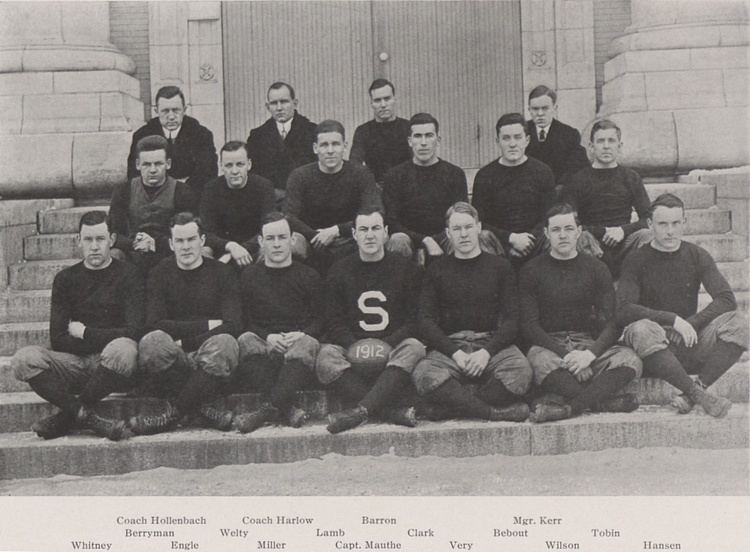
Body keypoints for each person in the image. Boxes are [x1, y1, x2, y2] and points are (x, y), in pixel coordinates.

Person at [12, 211, 143, 441]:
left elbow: (132, 332)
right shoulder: (65, 279)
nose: (94, 246)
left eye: (100, 239)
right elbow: (58, 338)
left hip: (111, 365)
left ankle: (66, 418)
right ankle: (84, 415)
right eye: (88, 239)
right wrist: (100, 338)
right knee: (24, 359)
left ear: (111, 240)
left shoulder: (129, 275)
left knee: (124, 348)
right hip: (73, 364)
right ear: (78, 241)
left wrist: (84, 333)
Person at [618, 193, 748, 418]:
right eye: (663, 224)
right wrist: (672, 320)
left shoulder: (696, 254)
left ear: (684, 223)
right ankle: (699, 396)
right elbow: (625, 308)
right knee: (640, 328)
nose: (670, 231)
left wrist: (691, 323)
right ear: (650, 224)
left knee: (739, 324)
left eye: (676, 223)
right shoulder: (637, 259)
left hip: (687, 339)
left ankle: (694, 392)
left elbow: (726, 299)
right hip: (653, 347)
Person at [520, 203, 642, 423]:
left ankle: (569, 408)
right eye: (556, 230)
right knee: (538, 362)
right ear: (546, 233)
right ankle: (601, 402)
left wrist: (590, 355)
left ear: (579, 231)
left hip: (586, 343)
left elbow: (614, 321)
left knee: (630, 360)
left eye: (568, 228)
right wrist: (566, 356)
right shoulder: (532, 270)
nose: (563, 235)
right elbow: (529, 326)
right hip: (550, 346)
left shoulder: (596, 268)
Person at [412, 202, 532, 422]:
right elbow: (425, 321)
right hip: (451, 346)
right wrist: (455, 353)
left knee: (520, 371)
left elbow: (512, 320)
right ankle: (491, 412)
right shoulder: (436, 269)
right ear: (448, 233)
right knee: (424, 374)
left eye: (468, 227)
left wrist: (486, 352)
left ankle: (454, 406)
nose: (464, 234)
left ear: (479, 227)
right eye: (456, 229)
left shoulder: (501, 267)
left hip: (491, 344)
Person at [316, 208, 425, 434]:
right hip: (353, 345)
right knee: (325, 357)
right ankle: (388, 411)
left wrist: (387, 344)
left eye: (376, 228)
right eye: (363, 229)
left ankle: (360, 411)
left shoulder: (406, 268)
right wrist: (355, 346)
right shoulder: (339, 270)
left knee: (414, 347)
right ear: (354, 234)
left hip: (393, 348)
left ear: (386, 233)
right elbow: (333, 320)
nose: (370, 235)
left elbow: (415, 318)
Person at [130, 212, 241, 435]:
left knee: (226, 343)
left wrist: (186, 340)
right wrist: (209, 324)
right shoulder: (159, 273)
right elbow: (154, 323)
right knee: (152, 342)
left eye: (191, 240)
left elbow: (233, 324)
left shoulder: (222, 272)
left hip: (209, 354)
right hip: (175, 356)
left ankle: (174, 414)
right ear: (171, 244)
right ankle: (202, 408)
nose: (186, 246)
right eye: (180, 241)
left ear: (202, 241)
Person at [233, 212, 324, 433]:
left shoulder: (309, 276)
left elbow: (322, 319)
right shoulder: (249, 276)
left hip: (297, 346)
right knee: (245, 339)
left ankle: (266, 411)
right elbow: (243, 320)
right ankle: (286, 408)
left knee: (310, 343)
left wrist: (302, 333)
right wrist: (267, 337)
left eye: (282, 237)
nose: (276, 244)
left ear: (292, 240)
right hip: (264, 344)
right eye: (270, 239)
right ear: (261, 242)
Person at [284, 119, 381, 274]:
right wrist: (317, 236)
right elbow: (289, 216)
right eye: (324, 145)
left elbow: (374, 211)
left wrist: (336, 231)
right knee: (292, 245)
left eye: (335, 144)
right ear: (315, 148)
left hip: (350, 237)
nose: (330, 150)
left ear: (345, 146)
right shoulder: (299, 176)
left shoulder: (361, 174)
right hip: (312, 239)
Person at [562, 119, 652, 277]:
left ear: (620, 146)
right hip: (591, 244)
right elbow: (569, 221)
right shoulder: (578, 180)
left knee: (647, 235)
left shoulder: (631, 178)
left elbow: (648, 218)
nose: (606, 146)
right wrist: (602, 231)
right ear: (591, 147)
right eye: (600, 141)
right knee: (580, 237)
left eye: (611, 140)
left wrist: (622, 231)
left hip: (624, 242)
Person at [382, 112, 471, 260]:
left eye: (429, 135)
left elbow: (459, 216)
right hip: (408, 239)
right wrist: (425, 240)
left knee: (460, 238)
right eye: (418, 136)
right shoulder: (395, 175)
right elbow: (391, 221)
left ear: (438, 140)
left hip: (444, 237)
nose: (423, 142)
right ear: (410, 141)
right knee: (397, 240)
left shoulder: (454, 174)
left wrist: (436, 240)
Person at [472, 113, 556, 265]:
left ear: (527, 140)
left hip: (535, 243)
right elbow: (479, 221)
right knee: (481, 237)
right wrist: (511, 238)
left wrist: (528, 241)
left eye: (517, 137)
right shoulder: (485, 175)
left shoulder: (543, 172)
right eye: (506, 138)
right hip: (500, 246)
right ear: (498, 141)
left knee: (554, 236)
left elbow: (549, 215)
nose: (512, 144)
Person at [110, 135, 197, 274]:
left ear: (168, 164)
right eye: (146, 164)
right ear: (138, 164)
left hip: (169, 254)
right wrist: (134, 244)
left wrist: (155, 244)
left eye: (158, 163)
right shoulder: (124, 191)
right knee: (113, 255)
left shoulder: (182, 191)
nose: (152, 170)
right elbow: (112, 232)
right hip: (133, 253)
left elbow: (188, 232)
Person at [127, 85, 218, 199]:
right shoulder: (142, 135)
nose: (171, 117)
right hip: (153, 197)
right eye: (165, 111)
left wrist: (181, 191)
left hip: (191, 197)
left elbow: (207, 173)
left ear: (184, 110)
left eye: (176, 110)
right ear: (156, 111)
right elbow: (134, 174)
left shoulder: (202, 135)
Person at [200, 141, 276, 267]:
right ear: (221, 166)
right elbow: (207, 232)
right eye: (229, 165)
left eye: (240, 164)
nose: (234, 171)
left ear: (249, 165)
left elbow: (267, 229)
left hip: (254, 247)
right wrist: (230, 247)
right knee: (201, 252)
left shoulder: (264, 187)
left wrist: (239, 250)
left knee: (267, 250)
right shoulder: (211, 189)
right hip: (222, 248)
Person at [246, 81, 317, 207]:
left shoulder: (313, 132)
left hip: (307, 203)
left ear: (295, 103)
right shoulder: (257, 136)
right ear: (267, 107)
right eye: (274, 103)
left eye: (284, 102)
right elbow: (253, 176)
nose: (279, 108)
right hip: (271, 203)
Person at [525, 84, 588, 189]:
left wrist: (560, 187)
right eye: (535, 109)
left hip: (557, 194)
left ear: (555, 108)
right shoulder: (521, 132)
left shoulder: (569, 134)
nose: (540, 113)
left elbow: (578, 168)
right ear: (529, 110)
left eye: (545, 108)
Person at [350, 78, 411, 184]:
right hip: (376, 189)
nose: (383, 105)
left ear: (394, 100)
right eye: (377, 100)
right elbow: (355, 165)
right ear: (371, 104)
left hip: (405, 188)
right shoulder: (363, 132)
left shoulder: (408, 128)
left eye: (387, 99)